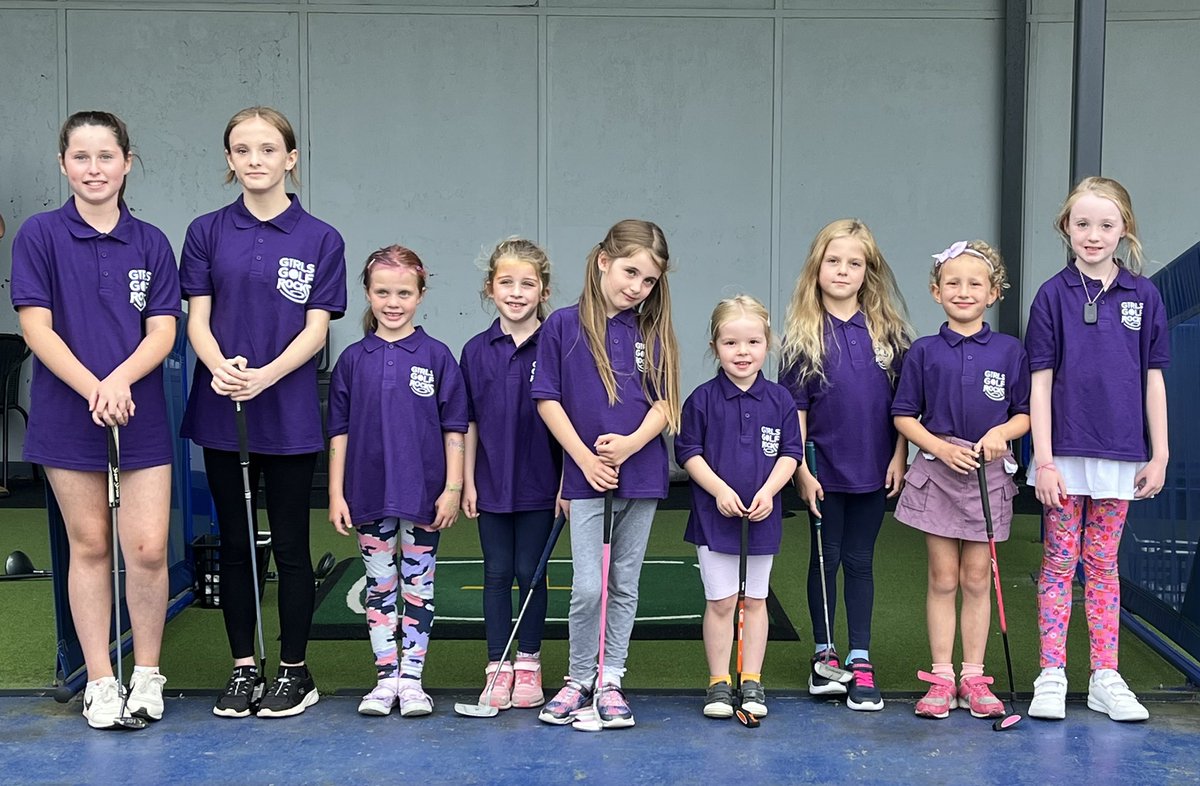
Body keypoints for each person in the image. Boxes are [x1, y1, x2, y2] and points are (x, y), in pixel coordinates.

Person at [10, 111, 180, 728]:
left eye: (106, 157)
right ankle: (101, 681)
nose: (94, 169)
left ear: (127, 163)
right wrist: (93, 387)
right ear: (63, 164)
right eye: (80, 157)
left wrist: (119, 382)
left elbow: (162, 329)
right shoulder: (39, 235)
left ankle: (147, 674)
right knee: (89, 545)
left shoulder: (151, 242)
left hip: (138, 411)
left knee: (149, 549)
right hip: (68, 411)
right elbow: (36, 327)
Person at [179, 106, 347, 718]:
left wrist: (269, 375)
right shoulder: (206, 231)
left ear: (291, 158)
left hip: (290, 411)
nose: (256, 160)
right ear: (229, 160)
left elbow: (317, 328)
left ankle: (296, 671)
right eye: (243, 150)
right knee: (236, 545)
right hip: (224, 408)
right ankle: (245, 667)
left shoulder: (321, 237)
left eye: (268, 149)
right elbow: (196, 317)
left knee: (294, 548)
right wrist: (222, 368)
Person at [1025, 177, 1168, 722]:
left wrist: (1160, 454)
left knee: (1103, 565)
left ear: (1123, 228)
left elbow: (1154, 378)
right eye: (1082, 223)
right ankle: (1051, 673)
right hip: (1063, 453)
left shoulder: (1144, 295)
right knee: (1059, 562)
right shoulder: (1050, 295)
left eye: (1106, 225)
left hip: (1124, 453)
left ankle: (1105, 675)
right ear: (1066, 227)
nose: (1093, 234)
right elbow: (1040, 382)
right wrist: (1043, 459)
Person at [532, 219, 681, 729]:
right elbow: (547, 400)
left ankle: (611, 677)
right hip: (586, 476)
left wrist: (633, 444)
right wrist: (585, 459)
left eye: (648, 280)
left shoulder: (651, 330)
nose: (636, 287)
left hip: (640, 475)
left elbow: (664, 403)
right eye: (629, 271)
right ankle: (578, 679)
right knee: (587, 587)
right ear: (602, 260)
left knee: (624, 582)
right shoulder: (562, 325)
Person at [892, 240, 1030, 720]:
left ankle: (973, 675)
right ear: (935, 291)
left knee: (978, 578)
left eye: (975, 284)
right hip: (938, 471)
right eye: (953, 283)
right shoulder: (924, 351)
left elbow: (1025, 415)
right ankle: (941, 677)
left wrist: (999, 434)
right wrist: (939, 446)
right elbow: (904, 416)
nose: (964, 291)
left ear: (993, 292)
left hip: (987, 476)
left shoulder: (1011, 350)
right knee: (943, 576)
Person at [327, 245, 467, 717]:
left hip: (424, 496)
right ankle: (385, 678)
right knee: (379, 587)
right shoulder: (352, 359)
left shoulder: (437, 356)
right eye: (382, 292)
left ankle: (413, 681)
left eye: (404, 292)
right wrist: (335, 492)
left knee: (417, 588)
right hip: (367, 493)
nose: (393, 301)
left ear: (421, 295)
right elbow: (339, 431)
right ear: (367, 293)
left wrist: (452, 488)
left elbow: (455, 429)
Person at [779, 219, 911, 711]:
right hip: (823, 471)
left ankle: (860, 656)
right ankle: (825, 652)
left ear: (868, 272)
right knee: (824, 558)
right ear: (817, 268)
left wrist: (900, 456)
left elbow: (902, 408)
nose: (843, 270)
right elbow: (796, 414)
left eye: (854, 263)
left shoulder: (889, 334)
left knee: (860, 561)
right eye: (833, 261)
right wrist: (801, 471)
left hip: (874, 469)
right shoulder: (801, 337)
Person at [675, 295, 801, 719]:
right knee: (722, 602)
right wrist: (719, 491)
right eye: (731, 343)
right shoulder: (702, 399)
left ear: (768, 343)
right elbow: (688, 452)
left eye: (752, 342)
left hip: (762, 517)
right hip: (715, 519)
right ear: (715, 347)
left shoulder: (781, 400)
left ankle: (751, 680)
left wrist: (768, 492)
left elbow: (790, 452)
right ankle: (718, 682)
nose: (742, 352)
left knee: (756, 600)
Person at [460, 238, 562, 710]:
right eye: (506, 283)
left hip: (544, 484)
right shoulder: (475, 350)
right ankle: (496, 668)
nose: (516, 292)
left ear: (543, 291)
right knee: (497, 572)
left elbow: (571, 419)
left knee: (531, 573)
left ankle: (529, 663)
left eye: (528, 284)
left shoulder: (561, 343)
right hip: (492, 482)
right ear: (489, 288)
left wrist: (567, 482)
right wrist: (467, 481)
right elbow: (469, 421)